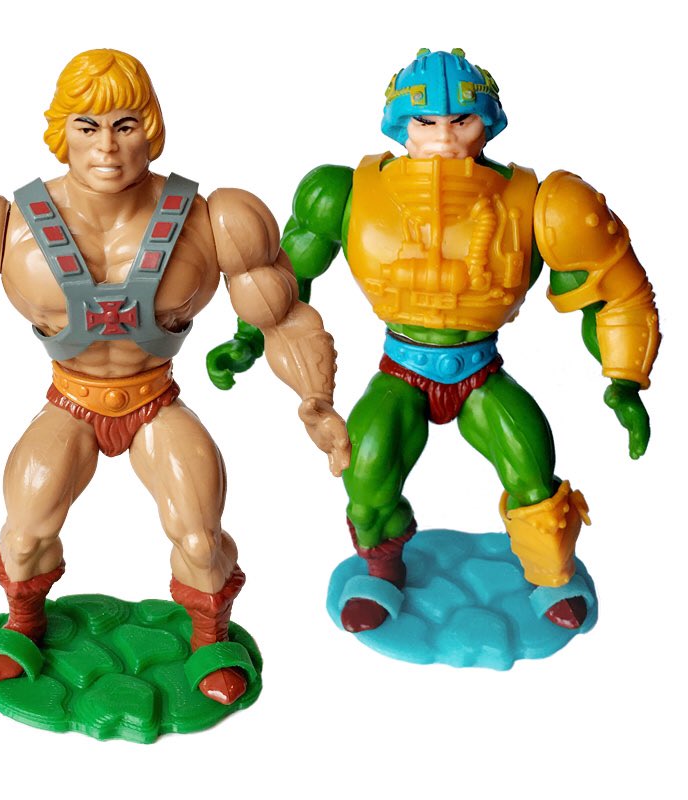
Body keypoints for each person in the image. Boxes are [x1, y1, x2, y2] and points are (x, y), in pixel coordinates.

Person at [0, 49, 349, 704]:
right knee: (24, 532)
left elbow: (282, 317)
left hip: (156, 398)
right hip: (70, 398)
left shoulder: (218, 218)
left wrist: (317, 401)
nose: (107, 147)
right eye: (88, 127)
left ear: (151, 128)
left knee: (200, 537)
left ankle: (210, 638)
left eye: (125, 125)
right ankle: (23, 624)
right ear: (61, 131)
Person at [207, 48, 659, 635]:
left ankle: (551, 575)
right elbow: (281, 278)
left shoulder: (543, 203)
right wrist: (248, 336)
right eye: (425, 122)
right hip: (402, 367)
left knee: (532, 470)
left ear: (488, 122)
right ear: (400, 125)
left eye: (461, 120)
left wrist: (625, 380)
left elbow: (612, 292)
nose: (444, 138)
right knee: (366, 474)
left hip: (480, 368)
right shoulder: (344, 193)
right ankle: (380, 572)